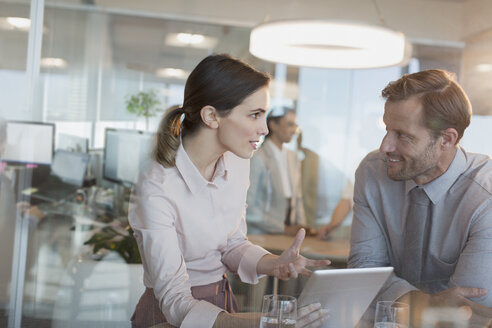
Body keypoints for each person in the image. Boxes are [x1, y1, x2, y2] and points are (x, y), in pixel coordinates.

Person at [128, 54, 330, 328]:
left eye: (265, 115)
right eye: (255, 114)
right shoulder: (156, 185)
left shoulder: (236, 161)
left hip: (222, 304)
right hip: (172, 315)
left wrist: (274, 263)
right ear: (211, 116)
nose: (264, 128)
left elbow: (232, 244)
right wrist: (261, 323)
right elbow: (175, 300)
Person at [348, 69, 492, 326]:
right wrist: (427, 304)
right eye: (387, 130)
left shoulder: (485, 198)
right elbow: (365, 271)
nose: (385, 146)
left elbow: (467, 311)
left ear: (446, 139)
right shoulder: (372, 172)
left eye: (402, 135)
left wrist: (401, 300)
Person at [246, 107, 315, 236]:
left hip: (290, 233)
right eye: (290, 124)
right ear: (273, 125)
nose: (294, 130)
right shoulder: (258, 158)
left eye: (295, 125)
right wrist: (283, 229)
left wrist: (302, 230)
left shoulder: (293, 157)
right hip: (263, 235)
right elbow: (250, 210)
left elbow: (298, 198)